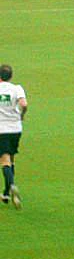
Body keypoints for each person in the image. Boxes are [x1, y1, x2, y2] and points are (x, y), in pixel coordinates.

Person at [0, 64, 28, 210]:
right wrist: (21, 115)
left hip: (1, 129)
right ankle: (5, 193)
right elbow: (24, 104)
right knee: (11, 159)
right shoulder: (17, 88)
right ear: (11, 76)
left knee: (4, 161)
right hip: (16, 128)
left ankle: (11, 185)